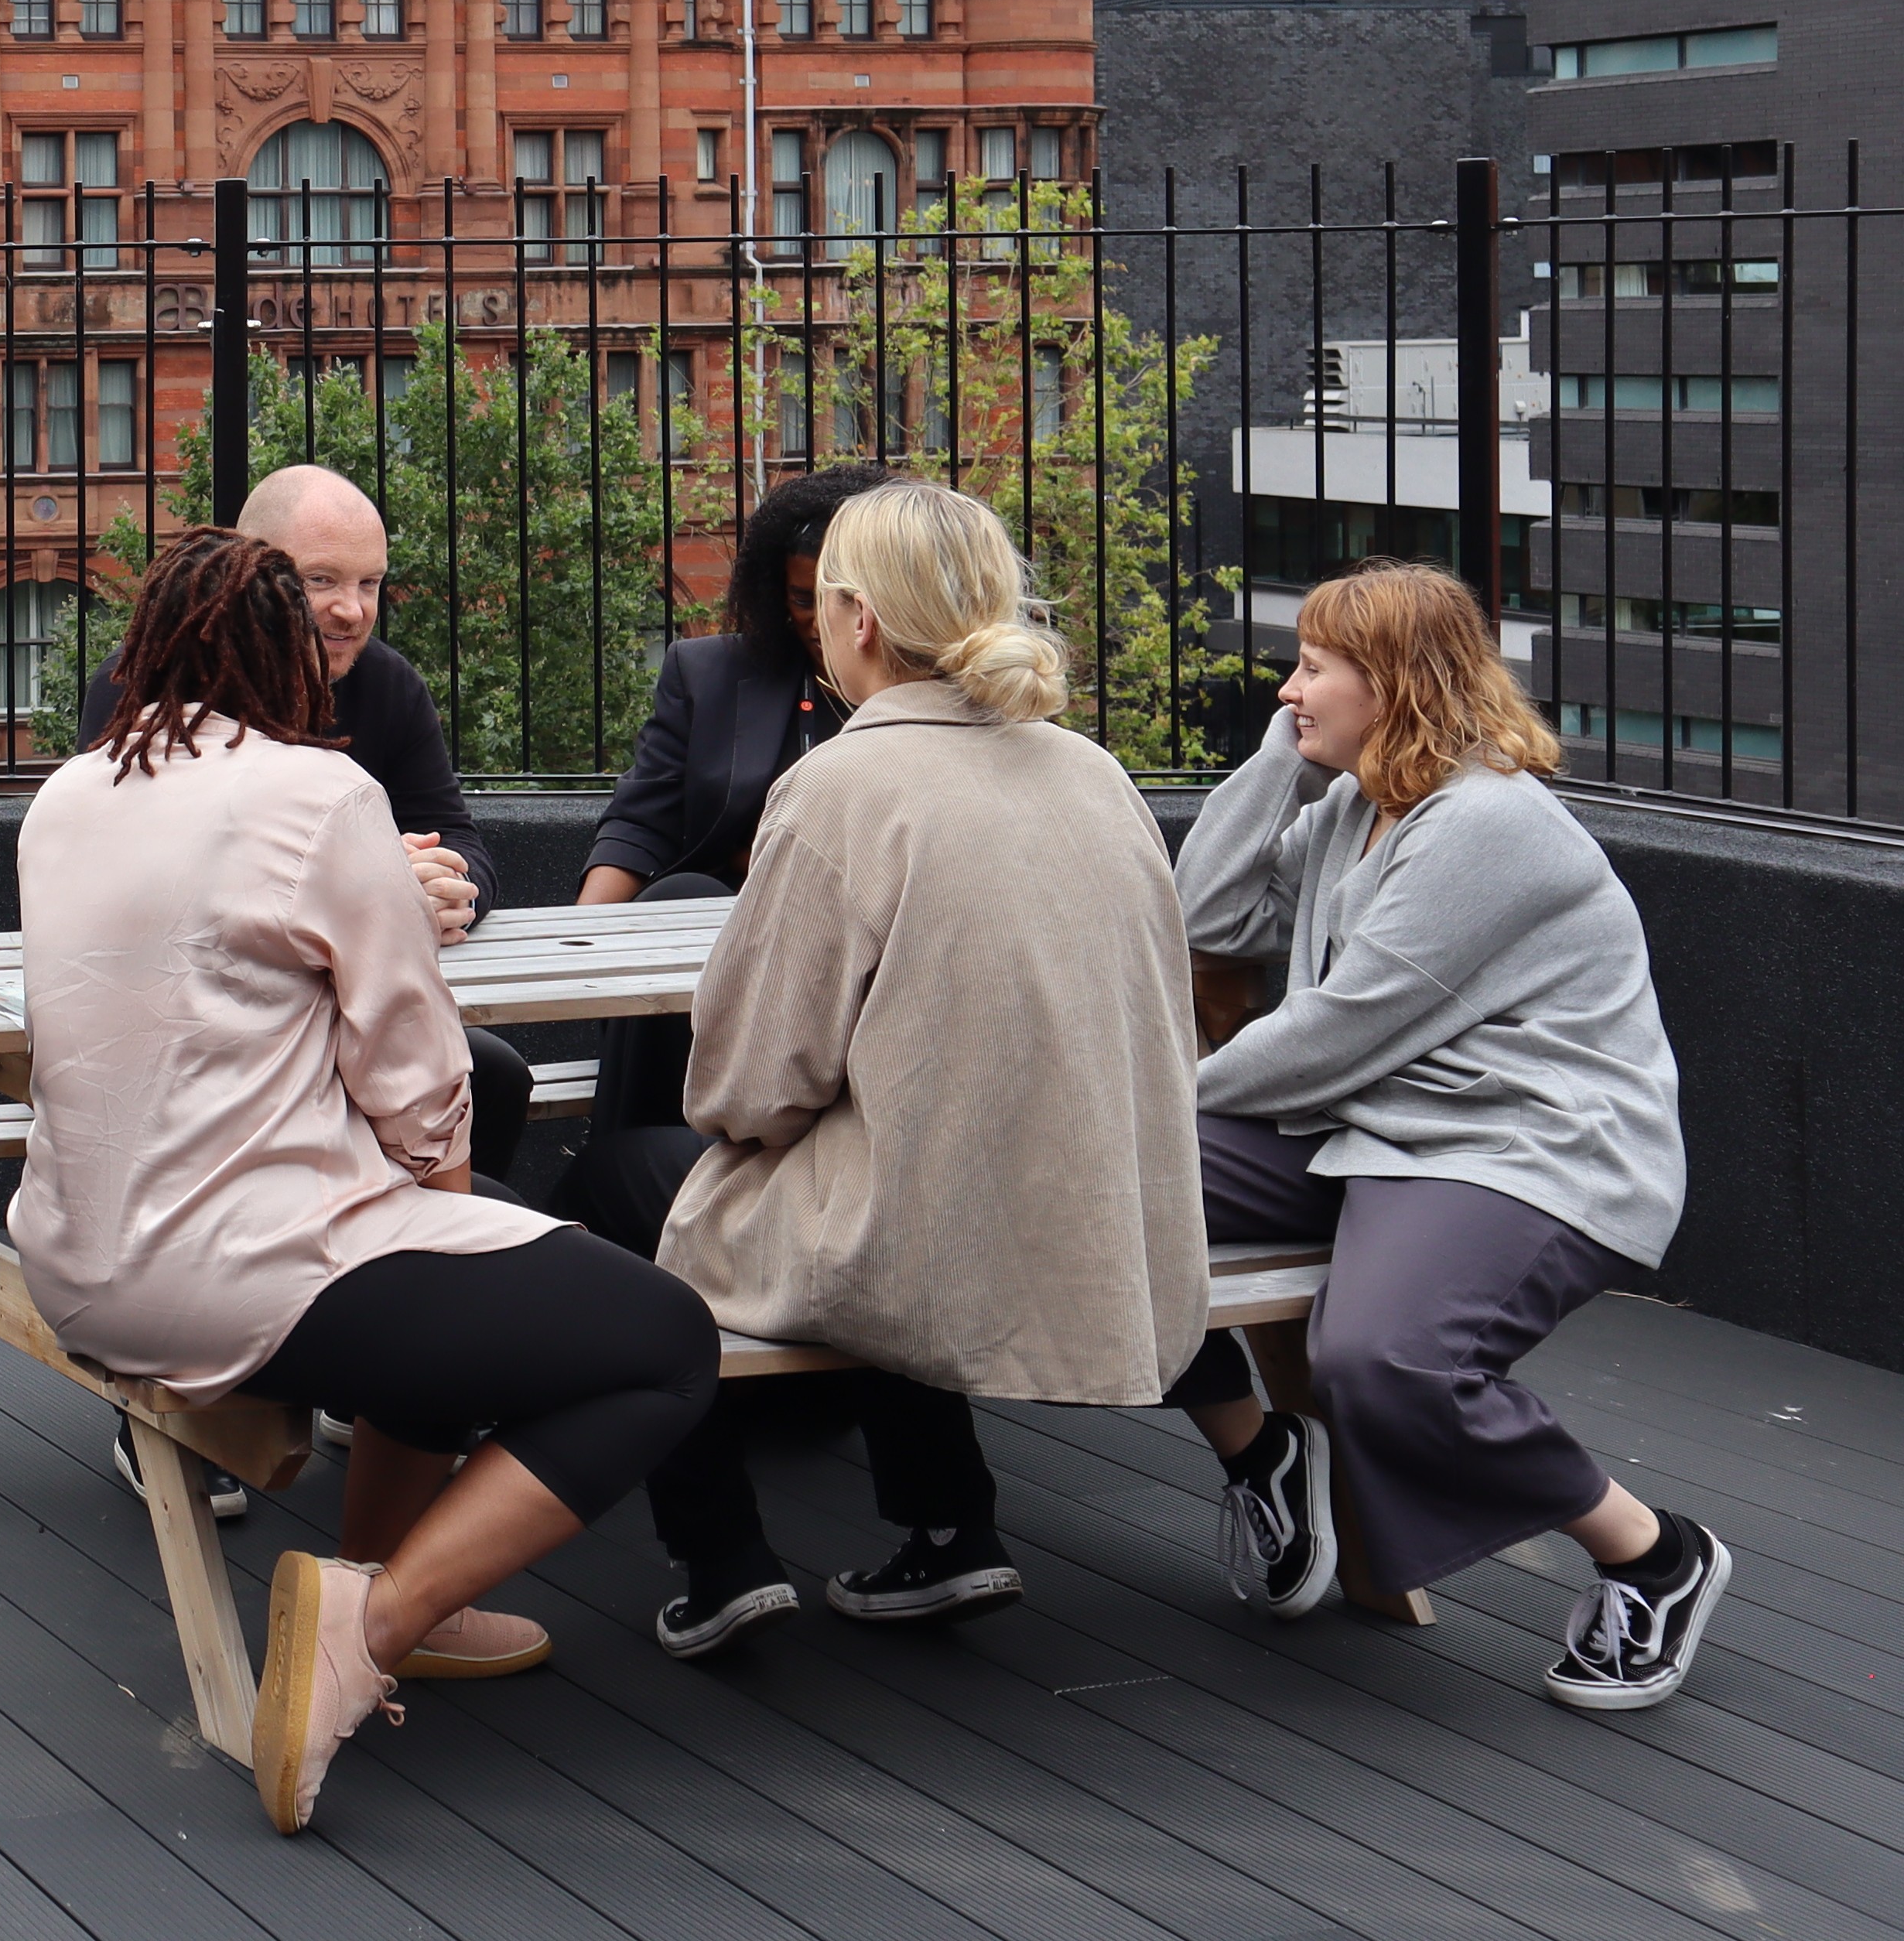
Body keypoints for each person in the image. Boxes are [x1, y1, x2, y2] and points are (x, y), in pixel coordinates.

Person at [12, 527, 720, 1833]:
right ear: (287, 659)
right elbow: (417, 1068)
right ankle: (369, 1616)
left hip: (81, 1258)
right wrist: (441, 1193)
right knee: (662, 1337)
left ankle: (403, 1586)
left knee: (479, 1269)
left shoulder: (74, 790)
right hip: (243, 1273)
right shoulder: (314, 796)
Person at [569, 481, 1206, 1657]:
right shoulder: (1095, 775)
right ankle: (951, 1532)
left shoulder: (840, 790)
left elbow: (745, 1089)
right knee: (894, 1157)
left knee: (622, 1176)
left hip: (924, 1242)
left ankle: (722, 1559)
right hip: (1095, 1222)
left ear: (857, 620)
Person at [1161, 560, 1721, 1713]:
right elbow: (1206, 915)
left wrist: (1162, 1099)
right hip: (1376, 1128)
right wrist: (1283, 756)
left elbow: (1335, 1030)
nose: (1290, 689)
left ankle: (1651, 1554)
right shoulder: (1360, 804)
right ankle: (1260, 1452)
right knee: (1094, 1192)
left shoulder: (1488, 824)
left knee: (1386, 1361)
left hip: (1524, 1149)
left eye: (1315, 669)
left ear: (1398, 683)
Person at [87, 463, 526, 1167]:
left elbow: (464, 842)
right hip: (207, 1038)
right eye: (320, 580)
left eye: (370, 583)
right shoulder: (147, 686)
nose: (352, 609)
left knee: (495, 1077)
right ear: (249, 576)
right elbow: (132, 884)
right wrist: (374, 889)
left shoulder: (389, 685)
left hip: (357, 1018)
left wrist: (446, 888)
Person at [559, 464, 891, 1153]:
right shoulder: (707, 672)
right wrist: (583, 938)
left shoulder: (908, 692)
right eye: (801, 596)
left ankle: (629, 1172)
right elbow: (641, 819)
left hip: (848, 933)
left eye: (835, 597)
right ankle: (628, 1156)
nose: (817, 617)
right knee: (677, 895)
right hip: (711, 926)